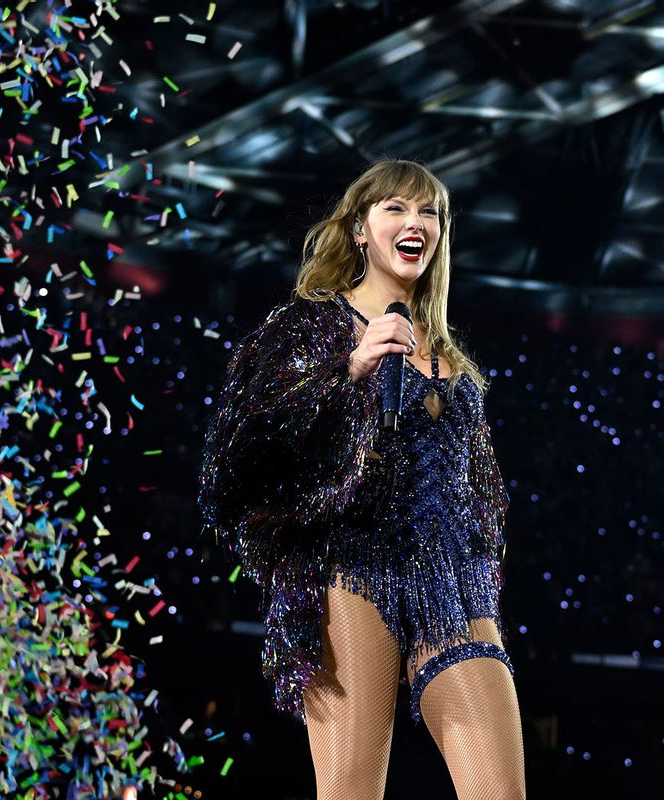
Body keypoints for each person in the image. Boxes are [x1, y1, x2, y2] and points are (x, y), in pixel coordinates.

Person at [198, 159, 525, 799]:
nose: (415, 223)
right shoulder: (310, 325)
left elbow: (479, 493)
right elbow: (239, 450)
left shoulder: (451, 355)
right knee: (350, 791)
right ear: (359, 231)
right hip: (352, 570)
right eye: (396, 209)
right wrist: (347, 370)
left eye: (428, 212)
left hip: (452, 585)